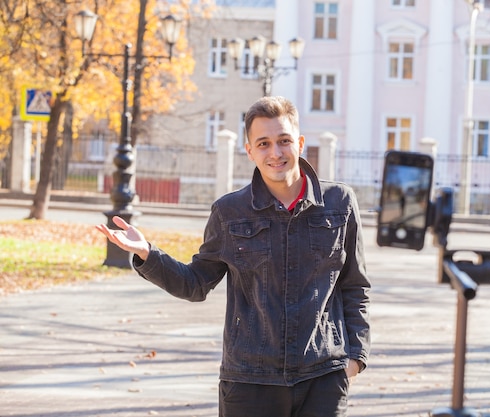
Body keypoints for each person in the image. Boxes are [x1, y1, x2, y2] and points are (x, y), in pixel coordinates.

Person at [96, 95, 371, 417]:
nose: (276, 153)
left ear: (299, 142)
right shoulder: (230, 211)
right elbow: (195, 284)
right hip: (249, 381)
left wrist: (356, 357)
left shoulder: (340, 202)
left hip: (323, 377)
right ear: (249, 150)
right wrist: (147, 254)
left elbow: (355, 285)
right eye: (264, 143)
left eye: (283, 141)